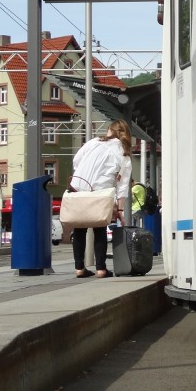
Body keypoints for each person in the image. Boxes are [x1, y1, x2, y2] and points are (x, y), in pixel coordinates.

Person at [66, 119, 132, 278]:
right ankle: (101, 268)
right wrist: (120, 210)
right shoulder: (124, 155)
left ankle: (79, 268)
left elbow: (76, 161)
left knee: (79, 227)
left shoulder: (94, 142)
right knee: (100, 228)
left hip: (79, 188)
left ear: (110, 131)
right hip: (101, 193)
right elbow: (122, 186)